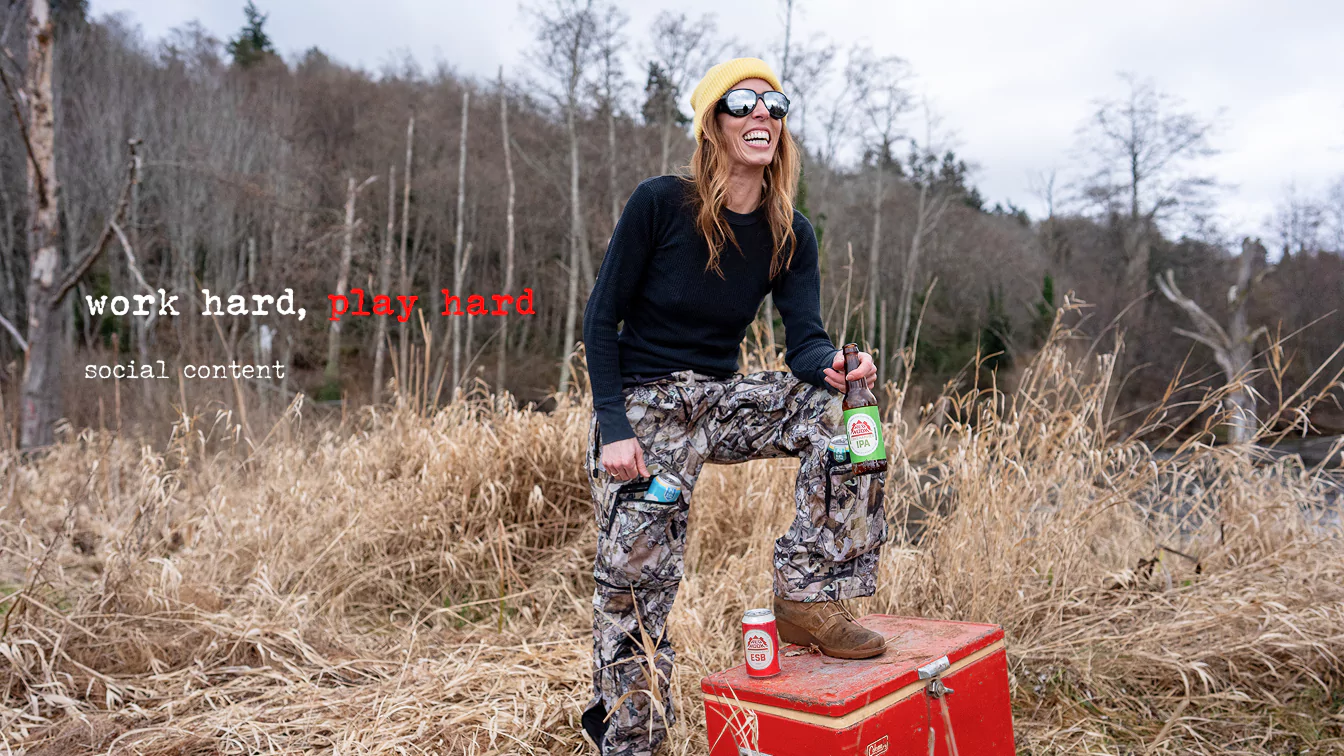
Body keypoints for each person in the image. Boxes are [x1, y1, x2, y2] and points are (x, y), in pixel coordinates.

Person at [580, 57, 888, 755]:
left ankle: (808, 596)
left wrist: (838, 367)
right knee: (635, 591)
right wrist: (614, 429)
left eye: (774, 104)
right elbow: (601, 321)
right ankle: (631, 737)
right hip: (647, 406)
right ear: (711, 125)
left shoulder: (789, 230)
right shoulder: (660, 202)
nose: (761, 114)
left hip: (721, 402)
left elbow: (803, 343)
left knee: (842, 416)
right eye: (741, 102)